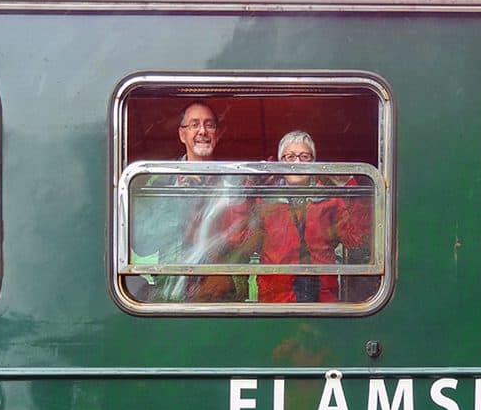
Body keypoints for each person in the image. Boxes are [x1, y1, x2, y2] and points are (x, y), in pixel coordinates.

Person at [223, 130, 371, 303]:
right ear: (280, 163)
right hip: (276, 302)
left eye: (305, 157)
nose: (297, 163)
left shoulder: (330, 199)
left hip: (323, 302)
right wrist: (248, 186)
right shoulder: (265, 201)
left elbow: (357, 239)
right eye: (290, 157)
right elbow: (238, 240)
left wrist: (349, 185)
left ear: (314, 163)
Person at [128, 101, 244, 302]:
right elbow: (143, 244)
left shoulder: (234, 181)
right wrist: (182, 213)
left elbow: (245, 240)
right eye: (194, 125)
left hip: (220, 292)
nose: (202, 131)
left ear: (218, 134)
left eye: (209, 125)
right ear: (182, 135)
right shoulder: (161, 179)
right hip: (171, 292)